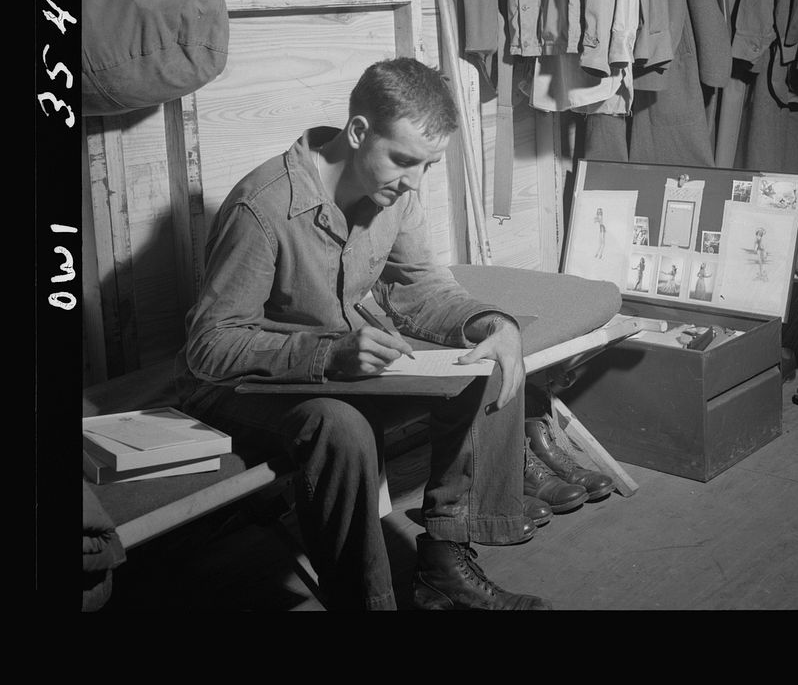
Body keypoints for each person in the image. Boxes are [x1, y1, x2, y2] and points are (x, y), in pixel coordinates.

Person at [175, 58, 552, 611]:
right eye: (403, 161)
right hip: (237, 388)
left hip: (338, 372)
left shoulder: (396, 193)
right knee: (342, 427)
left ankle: (446, 563)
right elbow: (209, 346)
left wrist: (494, 325)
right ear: (357, 132)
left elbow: (422, 291)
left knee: (487, 365)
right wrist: (330, 353)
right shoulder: (263, 206)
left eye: (428, 165)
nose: (413, 182)